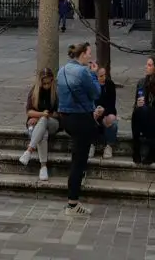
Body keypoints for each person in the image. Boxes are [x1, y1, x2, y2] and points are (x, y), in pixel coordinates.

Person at [57, 42, 101, 217]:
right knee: (78, 162)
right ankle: (72, 204)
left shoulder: (62, 70)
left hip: (66, 118)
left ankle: (73, 200)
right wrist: (94, 75)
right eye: (89, 53)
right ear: (82, 54)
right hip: (81, 118)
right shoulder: (83, 71)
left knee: (77, 158)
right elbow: (96, 93)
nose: (90, 57)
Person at [19, 68, 60, 181]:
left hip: (53, 123)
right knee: (43, 134)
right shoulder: (35, 91)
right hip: (39, 124)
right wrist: (41, 114)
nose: (47, 85)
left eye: (49, 82)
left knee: (43, 121)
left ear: (52, 81)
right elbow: (29, 111)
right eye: (44, 83)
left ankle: (29, 150)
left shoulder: (56, 92)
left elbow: (58, 114)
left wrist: (43, 116)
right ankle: (43, 167)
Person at [89, 67, 118, 159]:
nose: (103, 78)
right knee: (88, 119)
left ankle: (109, 146)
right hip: (94, 113)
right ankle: (91, 144)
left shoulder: (110, 84)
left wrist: (104, 111)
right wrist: (94, 111)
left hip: (106, 112)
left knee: (112, 121)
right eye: (101, 76)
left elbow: (112, 106)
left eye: (105, 75)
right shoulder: (90, 86)